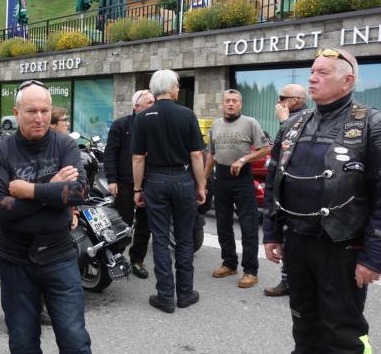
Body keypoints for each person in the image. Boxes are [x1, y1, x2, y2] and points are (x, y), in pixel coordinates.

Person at [263, 48, 381, 354]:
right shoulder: (292, 124)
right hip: (298, 245)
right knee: (304, 328)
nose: (312, 78)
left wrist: (374, 257)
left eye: (322, 73)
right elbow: (273, 179)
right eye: (312, 71)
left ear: (347, 80)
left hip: (343, 248)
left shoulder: (375, 124)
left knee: (344, 333)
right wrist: (271, 232)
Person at [0, 80, 94, 354]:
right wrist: (52, 189)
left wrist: (28, 190)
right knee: (23, 344)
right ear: (16, 112)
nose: (39, 118)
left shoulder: (65, 145)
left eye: (45, 110)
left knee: (75, 341)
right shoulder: (0, 152)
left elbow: (78, 192)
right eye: (31, 111)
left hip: (60, 256)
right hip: (15, 260)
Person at [132, 70, 207, 313]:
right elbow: (196, 155)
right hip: (183, 179)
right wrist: (201, 185)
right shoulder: (187, 115)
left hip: (155, 180)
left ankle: (165, 296)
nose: (178, 89)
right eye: (177, 85)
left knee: (160, 239)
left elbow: (138, 158)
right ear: (171, 87)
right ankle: (185, 293)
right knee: (184, 239)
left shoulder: (143, 117)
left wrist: (137, 189)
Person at [205, 89, 271, 288]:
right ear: (223, 104)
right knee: (223, 223)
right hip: (221, 177)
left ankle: (250, 271)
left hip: (242, 178)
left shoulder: (250, 123)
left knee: (248, 225)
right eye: (228, 101)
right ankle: (229, 263)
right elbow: (211, 155)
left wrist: (243, 160)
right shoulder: (216, 125)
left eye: (235, 101)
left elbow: (266, 149)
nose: (231, 104)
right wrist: (203, 180)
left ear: (240, 104)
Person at [104, 89, 155, 279]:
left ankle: (137, 260)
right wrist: (111, 180)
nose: (153, 105)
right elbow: (110, 153)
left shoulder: (156, 125)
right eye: (149, 103)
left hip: (149, 182)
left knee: (145, 225)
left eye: (154, 102)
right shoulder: (121, 125)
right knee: (123, 223)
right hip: (125, 183)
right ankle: (115, 257)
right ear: (136, 106)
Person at [264, 83, 307, 297]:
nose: (278, 101)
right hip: (284, 186)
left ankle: (293, 283)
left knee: (294, 240)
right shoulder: (293, 118)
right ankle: (288, 280)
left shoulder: (307, 118)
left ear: (295, 100)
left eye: (282, 97)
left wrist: (284, 121)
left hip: (298, 190)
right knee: (286, 238)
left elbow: (296, 148)